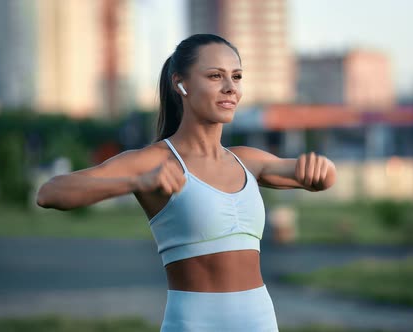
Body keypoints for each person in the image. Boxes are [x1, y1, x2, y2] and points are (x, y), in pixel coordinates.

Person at [37, 33, 336, 331]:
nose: (230, 88)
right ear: (181, 84)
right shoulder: (154, 161)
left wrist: (322, 172)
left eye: (237, 76)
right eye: (215, 76)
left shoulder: (247, 160)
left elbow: (320, 174)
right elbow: (50, 193)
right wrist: (135, 182)